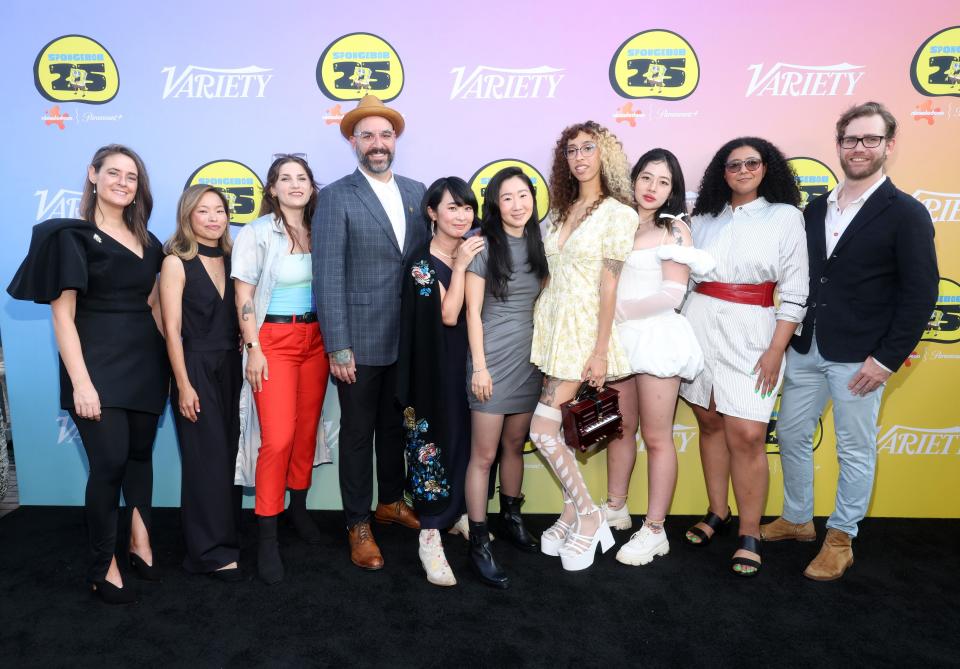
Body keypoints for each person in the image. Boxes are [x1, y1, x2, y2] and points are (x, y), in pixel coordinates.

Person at [761, 102, 939, 580]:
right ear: (838, 144)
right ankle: (799, 518)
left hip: (863, 357)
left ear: (888, 146)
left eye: (870, 139)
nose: (858, 148)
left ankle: (841, 537)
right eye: (850, 140)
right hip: (807, 348)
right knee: (794, 435)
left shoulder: (907, 213)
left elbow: (921, 296)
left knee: (854, 449)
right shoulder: (816, 207)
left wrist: (885, 360)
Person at [7, 144, 169, 603]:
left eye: (131, 176)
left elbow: (155, 306)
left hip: (145, 364)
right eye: (113, 172)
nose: (123, 182)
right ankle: (103, 564)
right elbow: (63, 317)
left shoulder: (150, 242)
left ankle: (140, 542)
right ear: (92, 175)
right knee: (109, 462)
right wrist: (81, 382)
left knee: (140, 456)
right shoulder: (71, 238)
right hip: (95, 367)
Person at [679, 137, 809, 577]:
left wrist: (777, 349)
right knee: (710, 422)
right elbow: (684, 278)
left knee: (750, 435)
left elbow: (794, 292)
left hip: (755, 333)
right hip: (699, 326)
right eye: (733, 164)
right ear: (722, 171)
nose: (743, 170)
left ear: (767, 167)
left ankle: (750, 531)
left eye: (752, 162)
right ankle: (718, 511)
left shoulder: (786, 217)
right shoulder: (703, 218)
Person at [313, 95, 428, 570]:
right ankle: (357, 522)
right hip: (357, 342)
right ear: (354, 143)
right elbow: (328, 275)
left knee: (395, 429)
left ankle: (391, 501)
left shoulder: (418, 191)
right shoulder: (337, 195)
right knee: (358, 433)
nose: (377, 144)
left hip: (409, 339)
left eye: (385, 135)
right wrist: (338, 344)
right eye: (367, 136)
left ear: (394, 140)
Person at [528, 121, 638, 572]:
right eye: (571, 149)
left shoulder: (619, 213)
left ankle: (591, 517)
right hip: (552, 328)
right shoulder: (557, 211)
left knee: (541, 429)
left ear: (604, 153)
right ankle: (571, 512)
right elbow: (547, 275)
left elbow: (609, 286)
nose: (579, 156)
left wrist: (599, 352)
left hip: (584, 331)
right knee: (556, 432)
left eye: (588, 147)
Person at [605, 148, 714, 566]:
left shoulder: (676, 231)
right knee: (619, 429)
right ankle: (615, 507)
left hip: (655, 338)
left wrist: (617, 313)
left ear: (673, 190)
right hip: (617, 342)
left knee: (656, 436)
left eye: (663, 181)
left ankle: (654, 530)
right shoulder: (618, 224)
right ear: (633, 180)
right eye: (646, 177)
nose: (652, 188)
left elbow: (673, 293)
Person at [232, 155, 329, 584]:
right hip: (272, 342)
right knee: (278, 439)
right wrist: (253, 347)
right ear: (271, 189)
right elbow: (244, 295)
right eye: (284, 179)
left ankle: (299, 509)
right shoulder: (256, 233)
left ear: (311, 186)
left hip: (318, 342)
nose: (294, 185)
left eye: (301, 178)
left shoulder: (321, 228)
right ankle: (267, 533)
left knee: (306, 431)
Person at [396, 177, 485, 586]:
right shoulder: (421, 263)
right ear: (432, 213)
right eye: (452, 208)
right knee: (434, 446)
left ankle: (459, 514)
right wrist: (463, 264)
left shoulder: (473, 250)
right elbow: (448, 316)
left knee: (468, 442)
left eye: (466, 208)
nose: (461, 215)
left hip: (469, 365)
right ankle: (430, 535)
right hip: (432, 371)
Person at [463, 167, 547, 588]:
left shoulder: (541, 242)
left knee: (515, 445)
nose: (517, 204)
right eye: (507, 197)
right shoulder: (482, 245)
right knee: (483, 455)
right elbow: (471, 313)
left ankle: (512, 518)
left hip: (531, 361)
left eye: (523, 195)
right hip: (492, 360)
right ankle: (478, 540)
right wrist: (479, 366)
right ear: (496, 204)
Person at [159, 185, 242, 582]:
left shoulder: (233, 256)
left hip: (233, 365)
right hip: (194, 366)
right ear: (188, 216)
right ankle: (208, 552)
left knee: (229, 455)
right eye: (203, 211)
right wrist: (183, 384)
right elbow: (170, 330)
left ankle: (225, 539)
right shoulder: (176, 262)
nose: (213, 218)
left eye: (220, 210)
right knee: (205, 459)